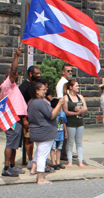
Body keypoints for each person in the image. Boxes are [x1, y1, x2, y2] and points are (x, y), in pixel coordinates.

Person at [27, 81, 64, 184]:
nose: (45, 91)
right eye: (43, 89)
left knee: (39, 151)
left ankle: (33, 169)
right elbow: (51, 115)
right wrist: (60, 104)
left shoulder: (31, 102)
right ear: (37, 91)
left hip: (36, 131)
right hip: (45, 132)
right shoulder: (40, 102)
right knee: (42, 156)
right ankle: (40, 178)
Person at [1, 46, 27, 177]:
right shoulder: (8, 84)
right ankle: (6, 168)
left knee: (15, 144)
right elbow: (13, 69)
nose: (17, 75)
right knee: (11, 143)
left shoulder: (13, 86)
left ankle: (12, 166)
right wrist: (17, 56)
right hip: (12, 118)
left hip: (17, 118)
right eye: (14, 74)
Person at [19, 65, 40, 169]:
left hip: (37, 116)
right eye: (36, 73)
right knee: (29, 138)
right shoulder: (23, 87)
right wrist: (24, 119)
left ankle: (37, 159)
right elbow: (20, 103)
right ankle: (30, 160)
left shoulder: (36, 84)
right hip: (27, 117)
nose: (39, 75)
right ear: (30, 74)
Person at [62, 79, 88, 168]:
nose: (78, 87)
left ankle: (80, 160)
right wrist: (75, 113)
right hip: (70, 122)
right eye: (76, 86)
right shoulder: (66, 98)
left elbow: (85, 108)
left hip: (80, 121)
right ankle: (70, 160)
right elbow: (65, 111)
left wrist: (81, 111)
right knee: (70, 142)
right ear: (70, 87)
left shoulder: (80, 96)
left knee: (79, 142)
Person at [55, 63, 72, 161]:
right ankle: (62, 154)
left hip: (66, 111)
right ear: (63, 72)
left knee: (67, 133)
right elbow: (61, 99)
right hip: (62, 112)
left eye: (71, 71)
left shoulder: (67, 82)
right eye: (68, 71)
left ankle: (65, 152)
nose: (70, 72)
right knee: (62, 133)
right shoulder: (62, 83)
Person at [49, 98, 67, 170]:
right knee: (53, 149)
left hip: (61, 133)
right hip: (53, 134)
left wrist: (65, 132)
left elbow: (64, 123)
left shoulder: (63, 114)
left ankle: (58, 162)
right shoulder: (52, 113)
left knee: (59, 148)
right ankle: (53, 163)